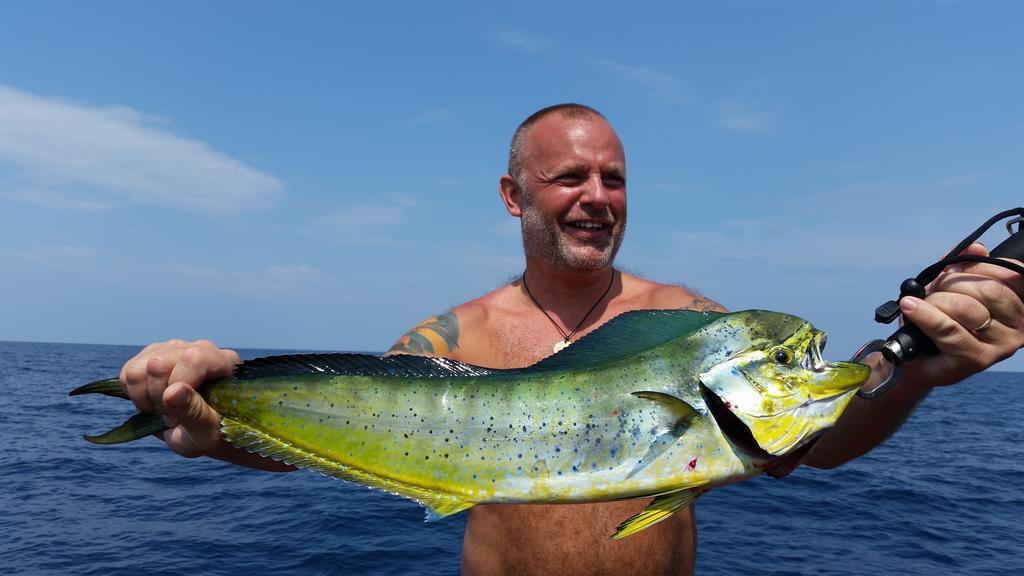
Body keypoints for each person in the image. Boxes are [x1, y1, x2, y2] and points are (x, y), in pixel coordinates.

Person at [120, 104, 1024, 575]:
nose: (598, 196)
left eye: (616, 178)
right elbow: (343, 442)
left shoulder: (695, 321)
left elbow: (805, 450)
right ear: (515, 196)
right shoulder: (453, 334)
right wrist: (211, 421)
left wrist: (911, 376)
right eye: (570, 177)